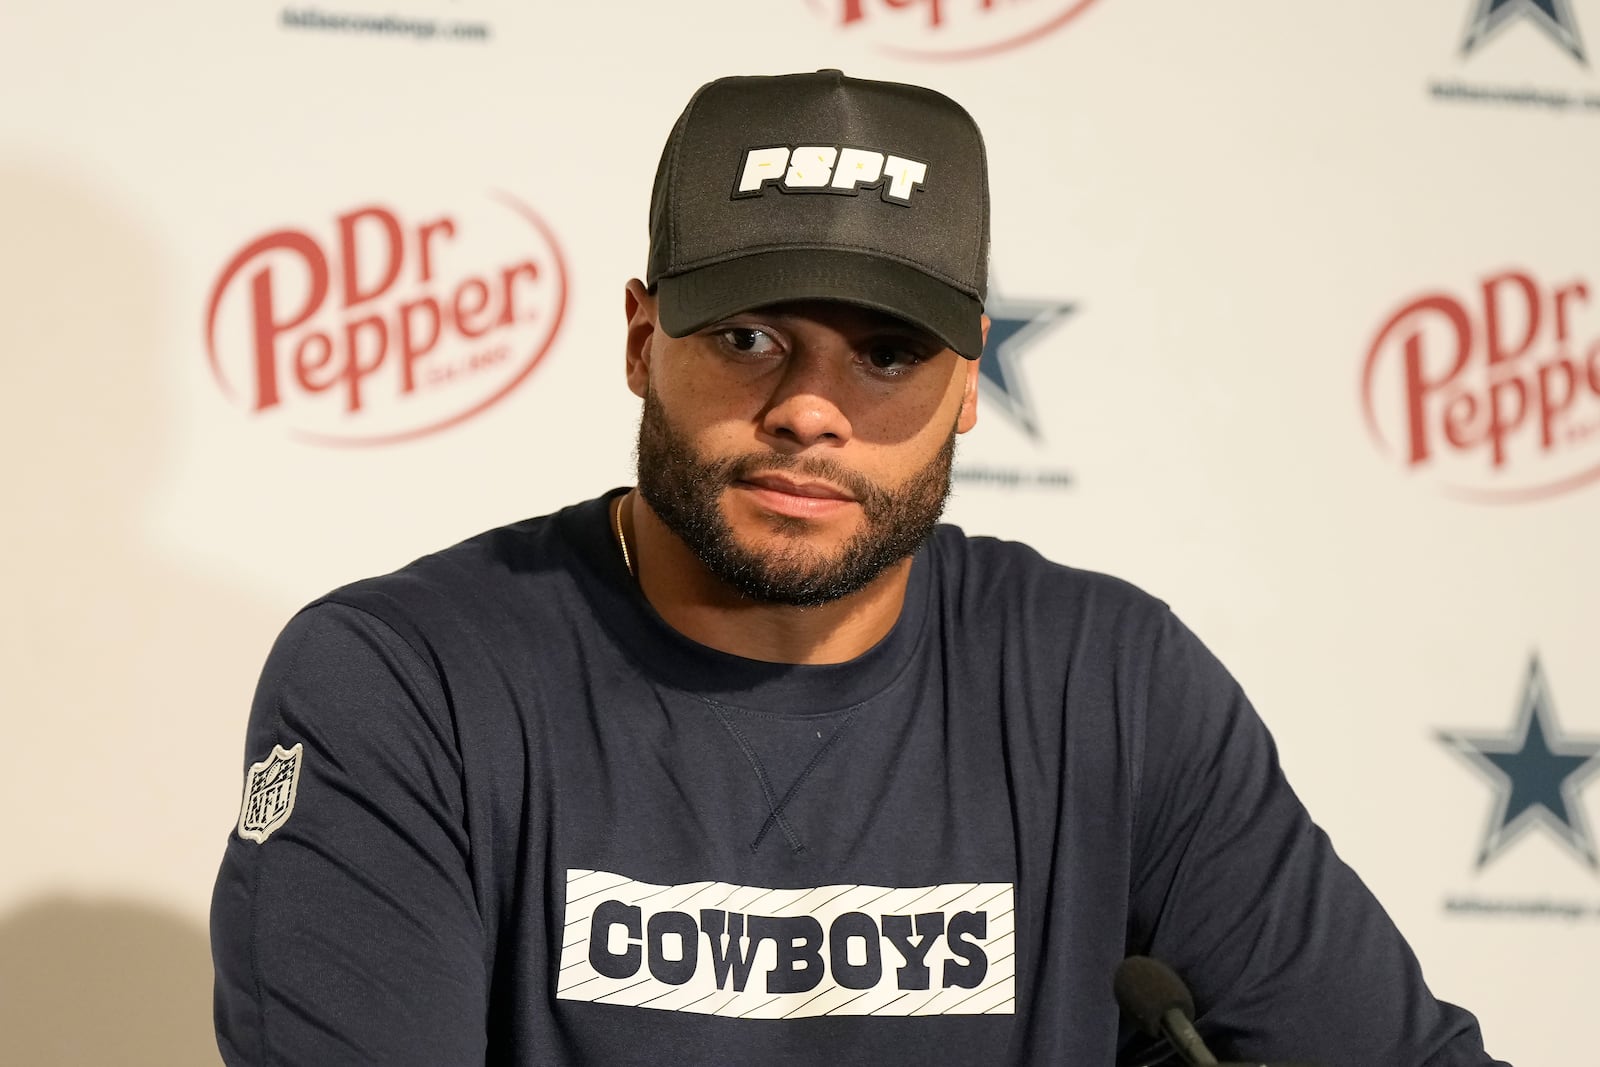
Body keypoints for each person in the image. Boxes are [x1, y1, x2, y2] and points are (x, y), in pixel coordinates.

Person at [210, 70, 1508, 1066]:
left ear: (971, 382)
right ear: (640, 336)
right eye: (752, 334)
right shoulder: (411, 685)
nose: (810, 411)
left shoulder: (1105, 687)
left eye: (885, 353)